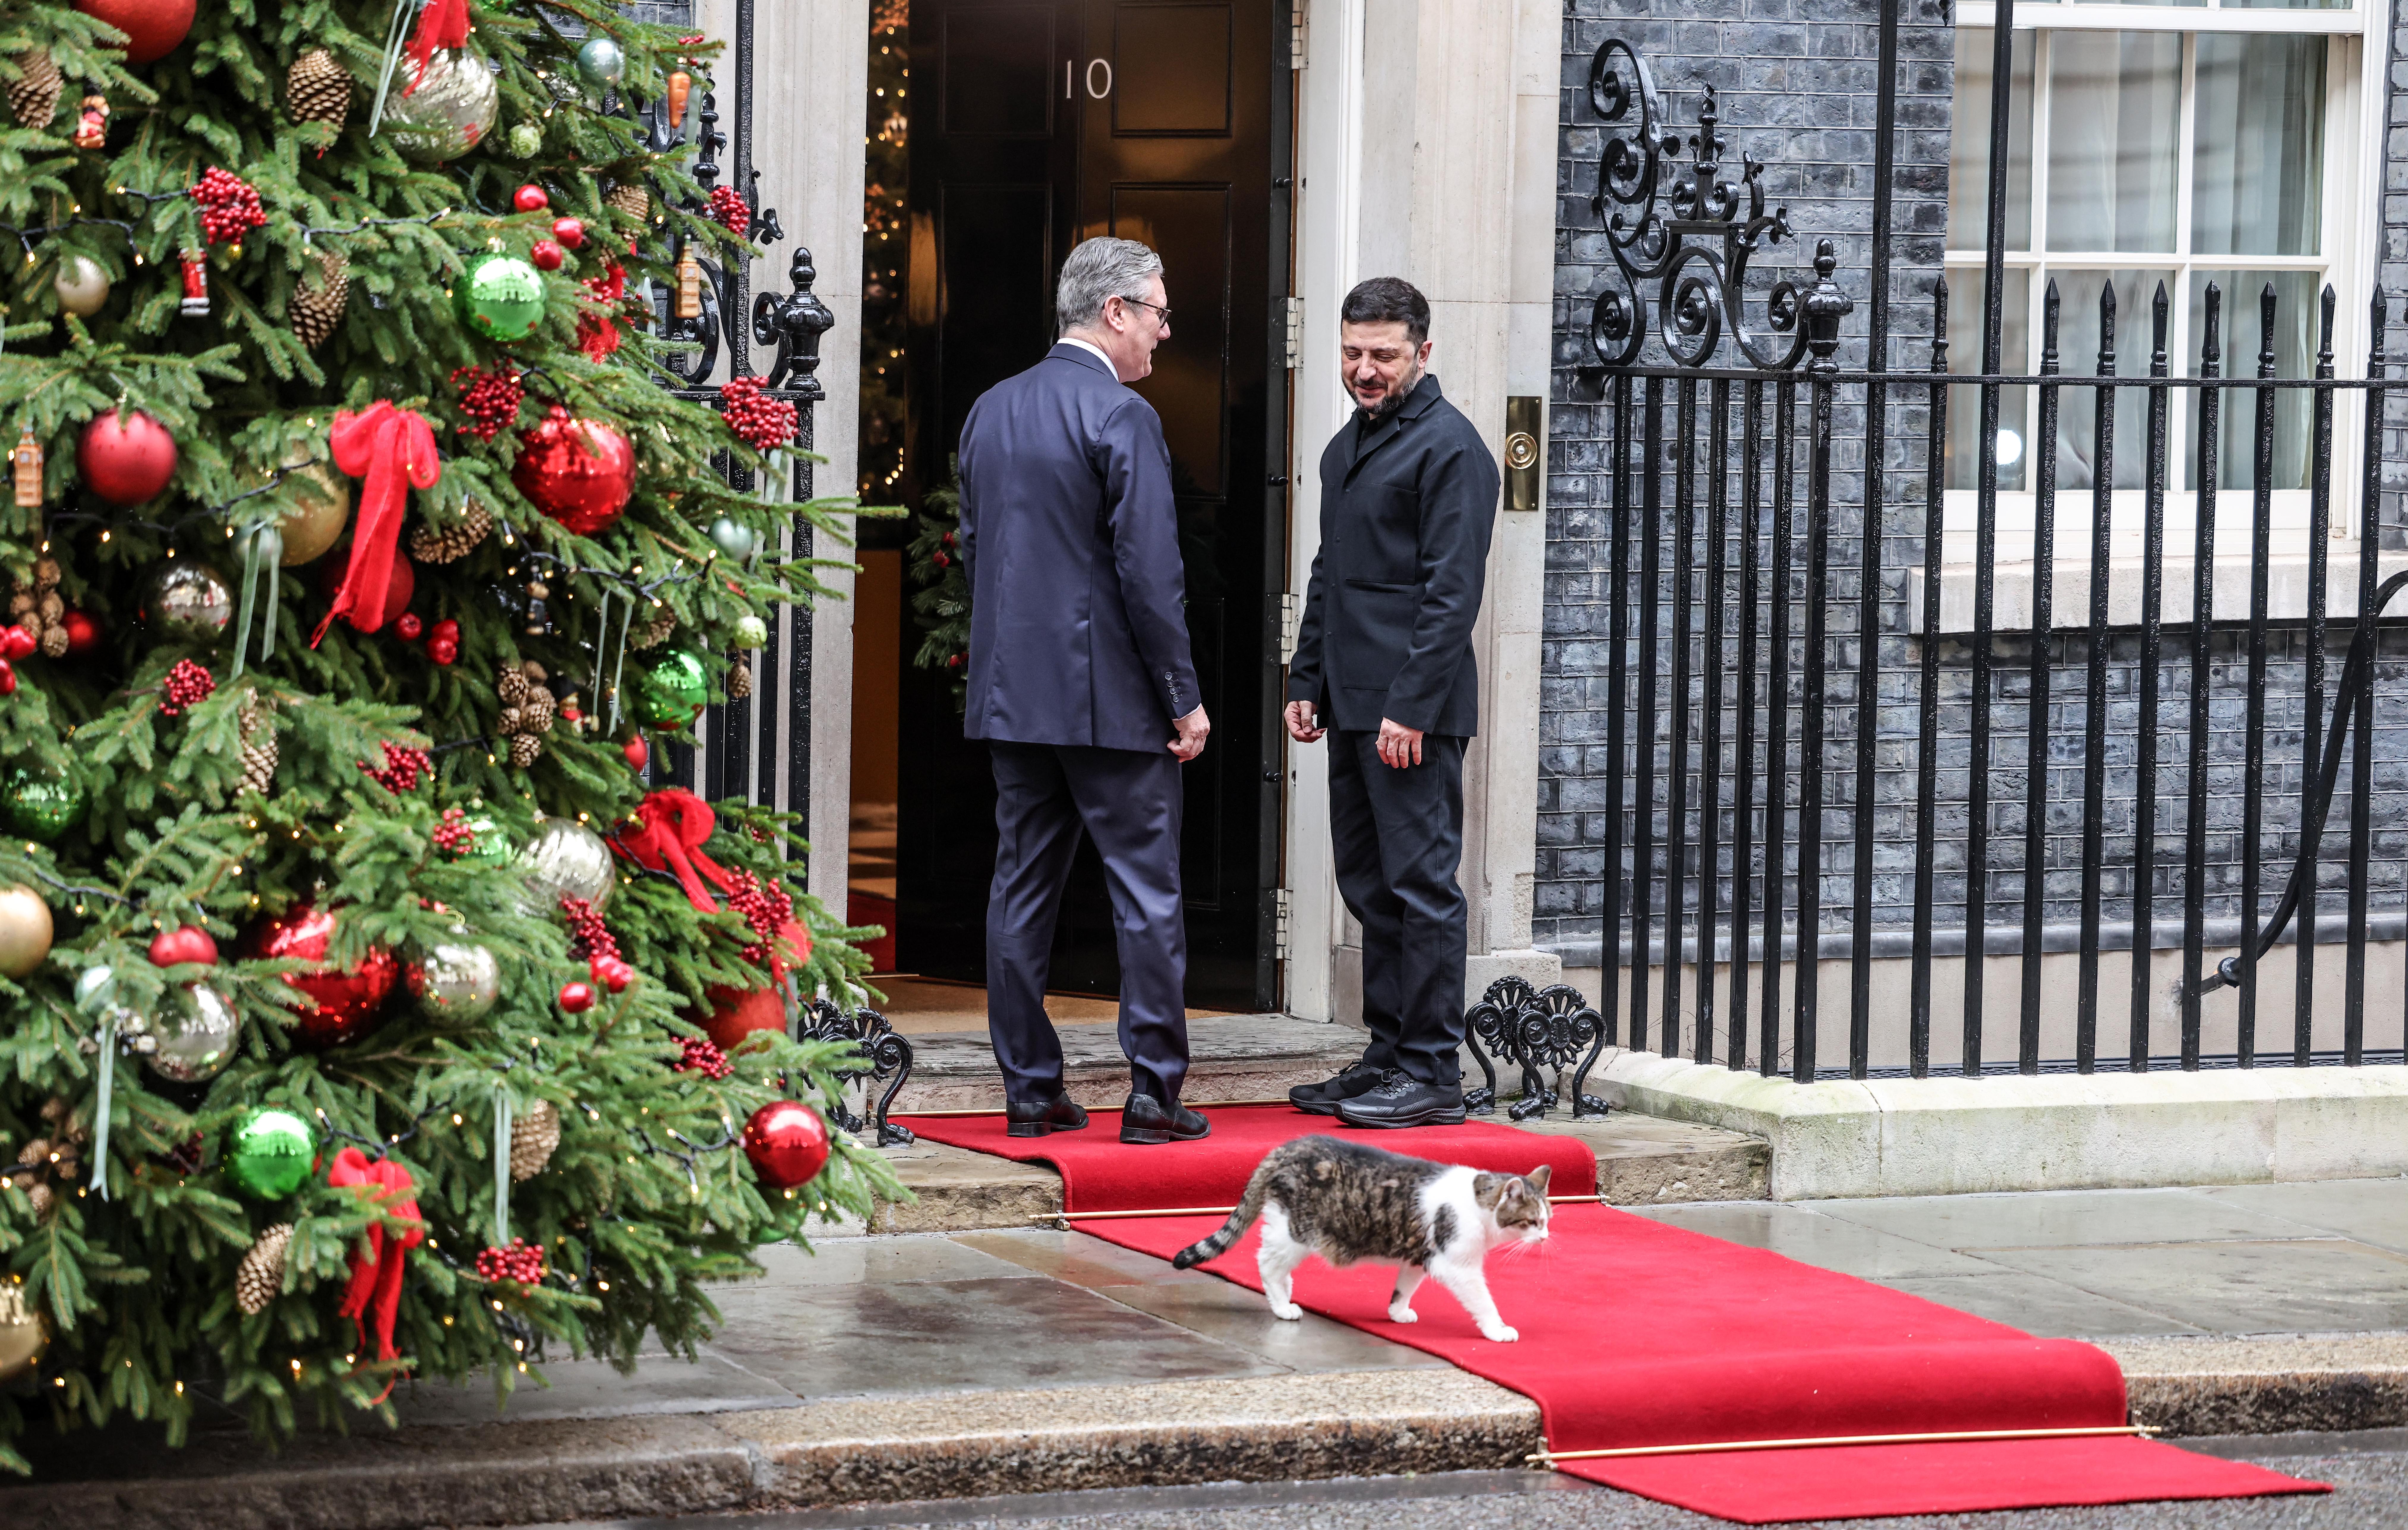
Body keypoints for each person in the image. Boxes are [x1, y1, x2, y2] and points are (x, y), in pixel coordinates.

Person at [955, 236, 1214, 1147]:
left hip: (1013, 698)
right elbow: (1151, 574)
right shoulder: (1122, 414)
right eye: (1156, 311)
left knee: (1019, 890)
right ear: (1113, 314)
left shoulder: (990, 409)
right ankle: (1152, 1095)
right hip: (1111, 701)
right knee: (1145, 896)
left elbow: (978, 556)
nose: (1164, 330)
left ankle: (1029, 1092)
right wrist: (1182, 696)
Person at [1282, 277, 1499, 1129]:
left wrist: (1407, 708)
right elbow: (1331, 574)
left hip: (1413, 714)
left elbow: (1453, 593)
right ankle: (1388, 1054)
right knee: (1369, 885)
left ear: (1422, 351)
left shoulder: (1451, 449)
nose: (1364, 370)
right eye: (1352, 353)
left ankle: (1432, 1070)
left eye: (1383, 355)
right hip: (1351, 705)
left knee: (1421, 888)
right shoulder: (1349, 448)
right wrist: (1307, 681)